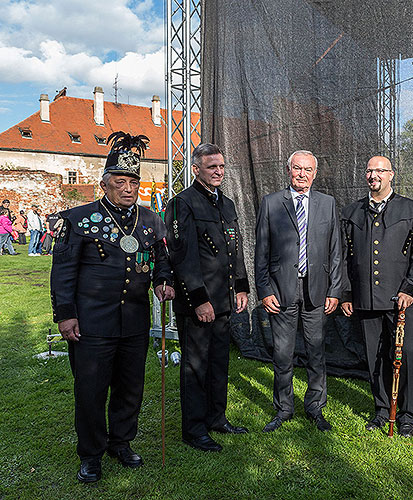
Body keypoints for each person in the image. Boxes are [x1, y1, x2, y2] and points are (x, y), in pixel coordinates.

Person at [50, 131, 175, 483]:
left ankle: (121, 441)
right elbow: (62, 272)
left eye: (133, 181)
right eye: (120, 182)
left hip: (134, 323)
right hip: (91, 323)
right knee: (90, 391)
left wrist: (164, 281)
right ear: (104, 184)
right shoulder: (79, 219)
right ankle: (91, 453)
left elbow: (162, 260)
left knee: (130, 387)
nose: (128, 188)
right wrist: (65, 314)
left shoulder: (151, 220)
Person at [166, 143, 250, 452]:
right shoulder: (182, 203)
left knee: (218, 364)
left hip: (224, 300)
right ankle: (194, 429)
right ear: (196, 169)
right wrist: (199, 300)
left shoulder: (226, 203)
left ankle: (217, 418)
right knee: (196, 368)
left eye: (222, 166)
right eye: (212, 166)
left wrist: (241, 286)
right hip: (199, 304)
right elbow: (182, 256)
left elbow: (235, 249)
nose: (218, 171)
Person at [254, 150, 342, 433]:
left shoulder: (327, 204)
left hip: (317, 291)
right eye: (297, 168)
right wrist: (264, 289)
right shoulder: (271, 203)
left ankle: (315, 407)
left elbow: (335, 250)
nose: (302, 174)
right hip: (281, 291)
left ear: (315, 173)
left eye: (308, 169)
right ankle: (284, 408)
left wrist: (335, 290)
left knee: (316, 353)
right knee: (282, 353)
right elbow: (261, 252)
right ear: (288, 170)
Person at [340, 156, 413, 437]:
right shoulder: (352, 212)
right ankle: (380, 409)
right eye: (369, 170)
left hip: (400, 299)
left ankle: (407, 414)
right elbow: (345, 258)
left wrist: (409, 290)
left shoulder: (411, 209)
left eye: (380, 170)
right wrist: (347, 294)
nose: (373, 175)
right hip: (365, 298)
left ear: (391, 175)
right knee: (373, 355)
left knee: (406, 355)